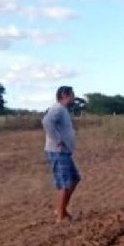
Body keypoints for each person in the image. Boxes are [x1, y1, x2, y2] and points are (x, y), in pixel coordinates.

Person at [42, 86, 80, 223]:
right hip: (58, 152)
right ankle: (61, 215)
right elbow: (46, 122)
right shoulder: (58, 108)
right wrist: (58, 140)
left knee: (75, 179)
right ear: (65, 95)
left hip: (64, 152)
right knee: (65, 183)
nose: (74, 97)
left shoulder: (62, 109)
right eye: (72, 94)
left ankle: (61, 209)